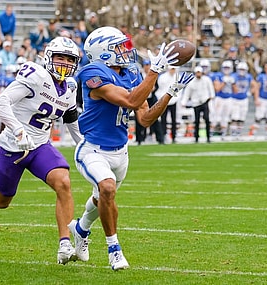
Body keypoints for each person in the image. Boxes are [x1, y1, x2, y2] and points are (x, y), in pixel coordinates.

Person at [69, 26, 194, 270]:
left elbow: (145, 118)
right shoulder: (92, 73)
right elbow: (130, 100)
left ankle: (81, 228)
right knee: (106, 189)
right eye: (119, 47)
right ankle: (114, 249)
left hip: (120, 152)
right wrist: (154, 73)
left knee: (100, 198)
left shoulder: (131, 73)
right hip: (92, 149)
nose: (126, 51)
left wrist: (169, 93)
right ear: (102, 52)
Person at [0, 37, 83, 265]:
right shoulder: (35, 76)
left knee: (63, 181)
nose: (64, 63)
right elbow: (1, 103)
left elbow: (71, 118)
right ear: (48, 57)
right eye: (60, 57)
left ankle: (65, 244)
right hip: (13, 146)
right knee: (2, 201)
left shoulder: (70, 86)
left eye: (69, 59)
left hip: (40, 145)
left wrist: (83, 145)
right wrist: (19, 131)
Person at [181, 66, 215, 143]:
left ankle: (208, 137)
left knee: (207, 119)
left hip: (205, 101)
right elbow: (187, 93)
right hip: (196, 103)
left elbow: (211, 88)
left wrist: (212, 96)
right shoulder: (192, 83)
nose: (198, 74)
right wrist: (184, 102)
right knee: (196, 121)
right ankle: (196, 137)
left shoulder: (206, 80)